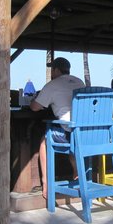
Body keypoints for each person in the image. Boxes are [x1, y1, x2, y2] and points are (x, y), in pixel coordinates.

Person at [30, 57, 85, 200]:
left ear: (55, 70)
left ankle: (46, 183)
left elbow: (35, 108)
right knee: (73, 137)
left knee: (44, 141)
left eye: (51, 70)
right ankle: (77, 170)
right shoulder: (80, 82)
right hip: (82, 132)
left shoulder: (52, 85)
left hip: (69, 132)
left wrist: (34, 99)